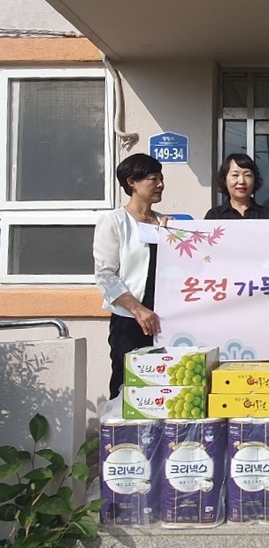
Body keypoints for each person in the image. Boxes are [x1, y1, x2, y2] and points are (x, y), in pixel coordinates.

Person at [93, 153, 166, 400]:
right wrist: (138, 309)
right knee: (128, 389)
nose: (160, 184)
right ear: (131, 182)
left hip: (164, 321)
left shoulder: (165, 223)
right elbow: (105, 275)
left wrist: (175, 234)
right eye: (153, 179)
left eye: (161, 178)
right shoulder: (114, 221)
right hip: (130, 321)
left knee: (163, 389)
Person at [205, 153, 269, 219]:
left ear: (255, 179)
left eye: (247, 175)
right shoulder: (214, 216)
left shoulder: (266, 215)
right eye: (235, 175)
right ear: (224, 179)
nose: (242, 181)